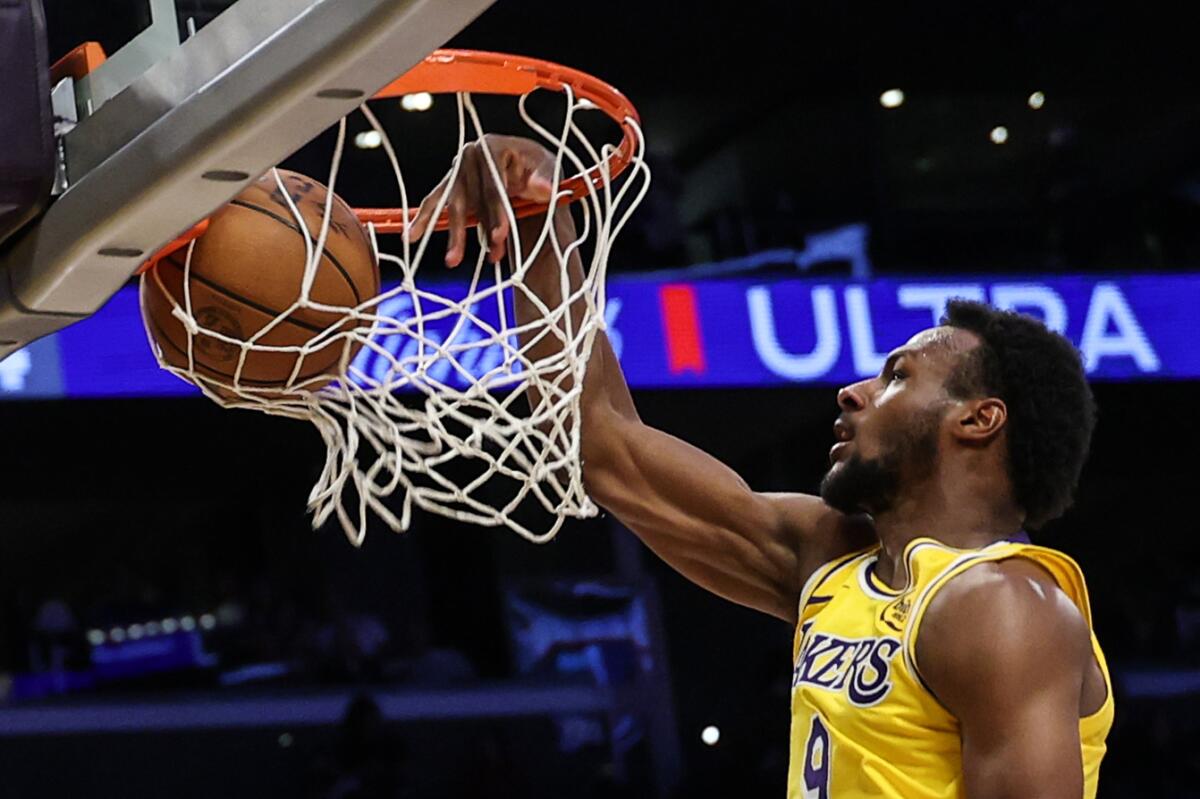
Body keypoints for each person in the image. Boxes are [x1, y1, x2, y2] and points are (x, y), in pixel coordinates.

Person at [406, 135, 1113, 798]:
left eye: (898, 376)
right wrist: (536, 218)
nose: (854, 390)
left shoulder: (1007, 608)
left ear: (977, 418)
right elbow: (606, 448)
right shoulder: (828, 557)